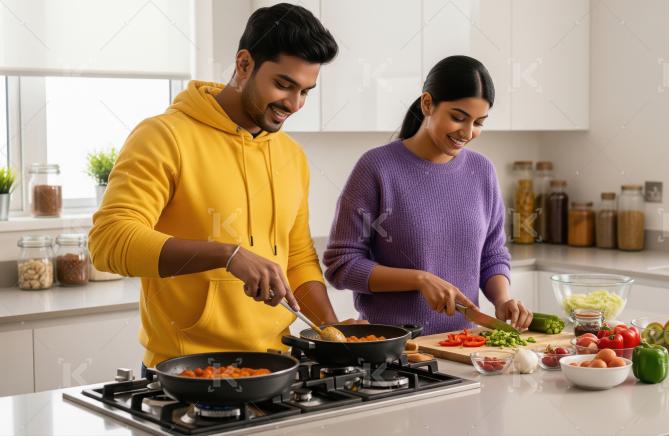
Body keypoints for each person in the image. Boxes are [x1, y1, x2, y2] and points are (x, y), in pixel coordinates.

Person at [89, 4, 353, 369]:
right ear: (244, 64)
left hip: (277, 366)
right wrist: (226, 255)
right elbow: (109, 241)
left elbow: (297, 258)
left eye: (306, 91)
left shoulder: (291, 155)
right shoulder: (164, 136)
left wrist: (332, 331)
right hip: (187, 371)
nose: (294, 104)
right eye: (283, 85)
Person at [323, 55, 533, 335]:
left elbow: (492, 254)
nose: (468, 132)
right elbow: (342, 265)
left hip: (464, 344)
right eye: (458, 118)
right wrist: (419, 280)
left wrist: (502, 299)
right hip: (394, 346)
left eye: (479, 122)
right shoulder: (377, 168)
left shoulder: (482, 171)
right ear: (427, 104)